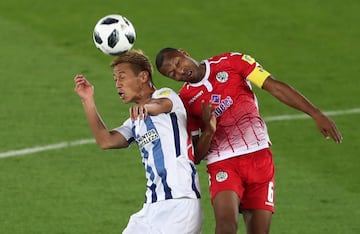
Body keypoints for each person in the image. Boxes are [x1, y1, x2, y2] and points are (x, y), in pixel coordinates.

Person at [155, 48, 343, 234]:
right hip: (223, 164)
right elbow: (196, 156)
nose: (180, 71)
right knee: (226, 226)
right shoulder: (185, 101)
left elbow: (274, 86)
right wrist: (209, 130)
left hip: (259, 158)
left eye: (178, 63)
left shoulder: (231, 62)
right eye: (172, 74)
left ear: (184, 53)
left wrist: (315, 113)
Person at [74, 50, 203, 234]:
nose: (117, 84)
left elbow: (161, 105)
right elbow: (106, 141)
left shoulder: (168, 95)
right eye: (115, 80)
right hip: (150, 209)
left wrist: (146, 107)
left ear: (143, 77)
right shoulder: (135, 123)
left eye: (122, 77)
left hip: (180, 204)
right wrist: (88, 100)